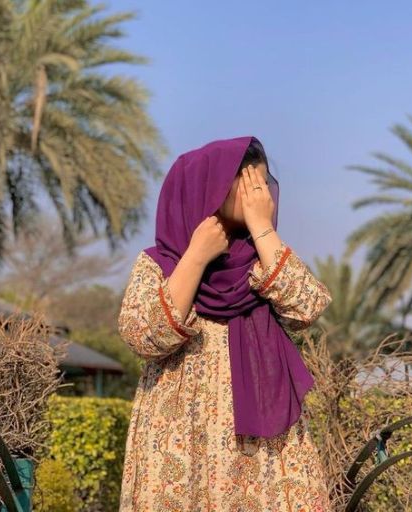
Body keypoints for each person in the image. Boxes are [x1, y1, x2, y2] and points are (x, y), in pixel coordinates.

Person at [118, 135, 332, 511]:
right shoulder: (158, 263)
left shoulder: (263, 259)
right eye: (249, 182)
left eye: (264, 184)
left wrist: (264, 230)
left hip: (262, 445)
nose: (260, 193)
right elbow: (145, 338)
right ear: (208, 185)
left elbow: (307, 307)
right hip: (181, 436)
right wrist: (196, 258)